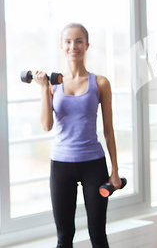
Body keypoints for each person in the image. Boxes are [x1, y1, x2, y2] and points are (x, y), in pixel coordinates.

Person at [34, 23, 121, 248]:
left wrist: (115, 171)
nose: (74, 46)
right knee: (64, 237)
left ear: (87, 45)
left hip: (94, 164)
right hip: (61, 166)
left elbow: (109, 130)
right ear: (62, 46)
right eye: (69, 41)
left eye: (79, 41)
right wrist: (44, 89)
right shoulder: (53, 86)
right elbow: (46, 125)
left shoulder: (100, 83)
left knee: (98, 234)